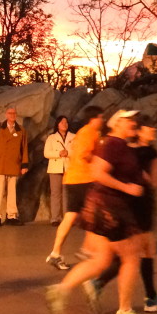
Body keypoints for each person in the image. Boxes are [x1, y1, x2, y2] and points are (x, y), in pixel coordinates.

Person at [45, 109, 151, 314]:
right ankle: (124, 312)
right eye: (128, 120)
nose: (133, 123)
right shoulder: (112, 144)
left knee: (101, 260)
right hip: (111, 209)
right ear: (117, 123)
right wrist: (128, 188)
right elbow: (98, 172)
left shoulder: (118, 144)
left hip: (102, 207)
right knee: (131, 257)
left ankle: (61, 290)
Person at [91, 117, 157, 312]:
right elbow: (151, 181)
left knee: (137, 251)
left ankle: (150, 296)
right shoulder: (150, 152)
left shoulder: (128, 149)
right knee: (136, 253)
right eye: (149, 128)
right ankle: (136, 299)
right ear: (140, 130)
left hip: (128, 205)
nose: (153, 130)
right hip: (141, 204)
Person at [46, 106, 104, 270]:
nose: (102, 120)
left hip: (74, 178)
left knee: (71, 216)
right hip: (83, 180)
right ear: (94, 119)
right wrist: (100, 163)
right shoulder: (89, 132)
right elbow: (86, 154)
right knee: (96, 213)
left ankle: (56, 253)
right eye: (101, 117)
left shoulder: (80, 134)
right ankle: (87, 250)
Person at [0, 106, 29, 227]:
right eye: (10, 113)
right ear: (6, 115)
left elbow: (24, 148)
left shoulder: (21, 130)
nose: (12, 115)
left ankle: (12, 216)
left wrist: (24, 164)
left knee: (12, 192)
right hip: (0, 164)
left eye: (14, 113)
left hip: (14, 164)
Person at [44, 115, 74, 227]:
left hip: (68, 168)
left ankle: (67, 218)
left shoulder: (73, 137)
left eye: (66, 122)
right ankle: (55, 218)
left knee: (67, 194)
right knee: (55, 194)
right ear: (57, 124)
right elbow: (46, 153)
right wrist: (58, 153)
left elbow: (77, 151)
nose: (64, 124)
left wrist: (68, 153)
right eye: (62, 122)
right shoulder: (51, 138)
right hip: (55, 168)